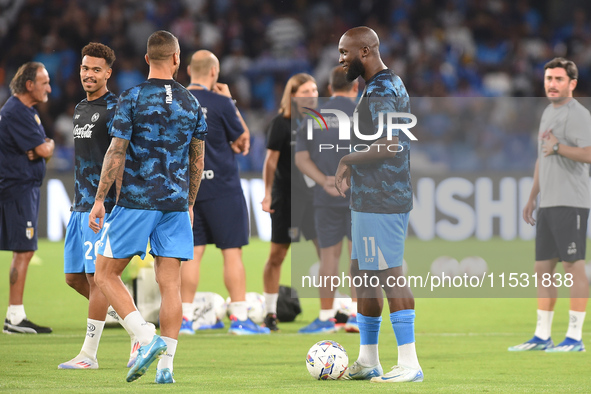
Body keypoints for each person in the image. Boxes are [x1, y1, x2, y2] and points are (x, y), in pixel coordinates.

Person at [89, 30, 207, 384]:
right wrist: (189, 203)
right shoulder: (191, 103)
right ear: (176, 58)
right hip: (174, 204)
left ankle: (144, 336)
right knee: (170, 284)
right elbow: (197, 160)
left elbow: (116, 151)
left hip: (138, 200)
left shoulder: (132, 97)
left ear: (146, 60)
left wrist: (99, 199)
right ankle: (166, 366)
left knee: (105, 274)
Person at [334, 26, 423, 383]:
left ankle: (410, 363)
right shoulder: (375, 86)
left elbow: (390, 145)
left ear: (366, 52)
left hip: (383, 199)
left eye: (345, 52)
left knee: (389, 275)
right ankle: (369, 360)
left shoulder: (383, 89)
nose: (341, 59)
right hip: (370, 198)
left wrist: (347, 161)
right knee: (364, 276)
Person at [58, 42, 139, 369]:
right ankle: (131, 318)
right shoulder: (79, 108)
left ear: (108, 73)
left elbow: (120, 158)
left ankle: (88, 356)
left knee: (96, 280)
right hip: (79, 206)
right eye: (84, 68)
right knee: (73, 278)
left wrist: (111, 203)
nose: (88, 74)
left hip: (101, 208)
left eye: (95, 70)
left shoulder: (116, 109)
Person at [180, 50, 269, 335]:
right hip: (223, 187)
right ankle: (240, 319)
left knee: (191, 254)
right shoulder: (220, 102)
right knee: (232, 253)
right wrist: (230, 101)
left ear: (189, 69)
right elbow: (243, 140)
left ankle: (184, 319)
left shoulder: (177, 101)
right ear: (214, 72)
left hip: (187, 191)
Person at [509, 57, 590, 353]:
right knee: (542, 268)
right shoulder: (548, 112)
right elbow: (543, 158)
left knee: (573, 267)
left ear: (572, 84)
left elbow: (589, 153)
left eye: (558, 79)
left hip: (572, 201)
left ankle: (575, 338)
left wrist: (558, 147)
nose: (552, 84)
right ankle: (542, 336)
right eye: (548, 79)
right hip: (549, 203)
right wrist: (532, 197)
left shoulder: (578, 114)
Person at [295, 66, 359, 334]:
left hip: (326, 196)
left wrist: (325, 181)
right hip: (359, 195)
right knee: (358, 255)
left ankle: (326, 317)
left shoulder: (313, 116)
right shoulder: (363, 114)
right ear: (356, 88)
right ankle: (356, 315)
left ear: (330, 89)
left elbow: (301, 159)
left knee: (329, 257)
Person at [261, 73, 318, 332]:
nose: (313, 95)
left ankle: (335, 311)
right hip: (288, 198)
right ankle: (270, 312)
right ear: (293, 96)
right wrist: (267, 193)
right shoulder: (281, 124)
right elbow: (271, 162)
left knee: (328, 253)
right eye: (306, 91)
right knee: (277, 255)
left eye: (315, 90)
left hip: (317, 199)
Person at [0, 62, 54, 334]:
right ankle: (15, 318)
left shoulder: (24, 110)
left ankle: (15, 315)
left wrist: (43, 148)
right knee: (23, 249)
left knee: (25, 249)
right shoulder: (17, 111)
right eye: (44, 82)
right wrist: (43, 148)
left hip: (23, 186)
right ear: (29, 84)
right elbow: (43, 148)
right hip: (18, 188)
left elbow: (42, 148)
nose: (49, 88)